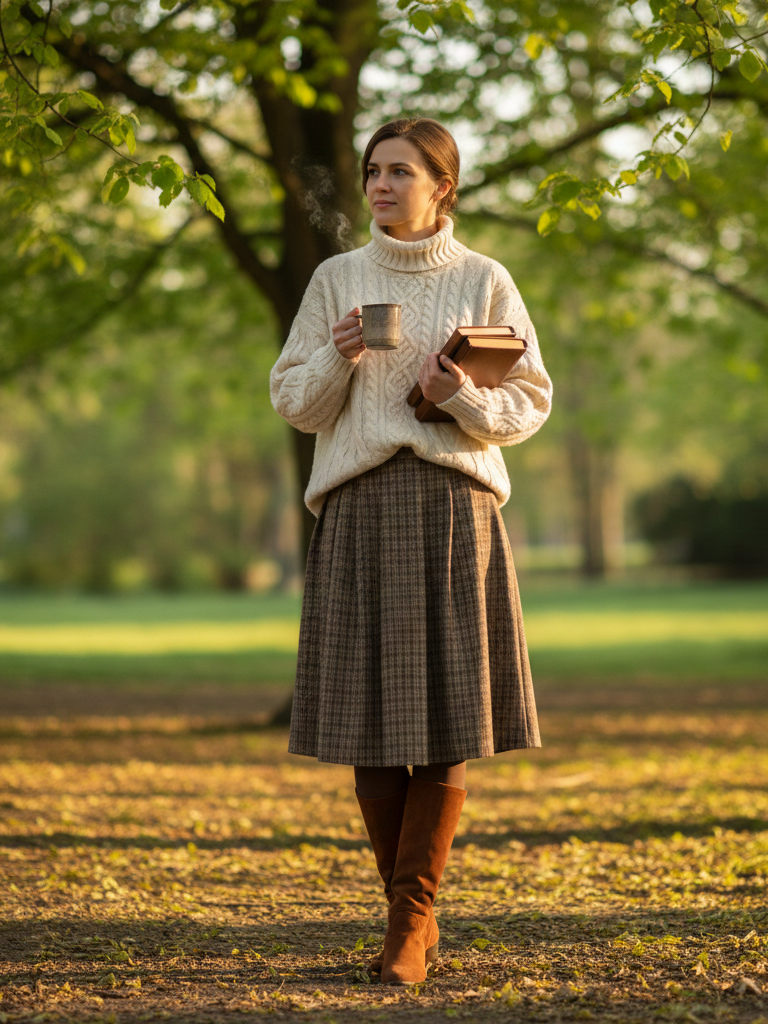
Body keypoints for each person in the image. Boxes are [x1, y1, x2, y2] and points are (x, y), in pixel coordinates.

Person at [269, 117, 552, 985]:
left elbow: (532, 402)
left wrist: (459, 394)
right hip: (357, 507)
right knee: (366, 720)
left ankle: (411, 918)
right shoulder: (335, 279)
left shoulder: (485, 279)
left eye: (402, 171)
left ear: (443, 187)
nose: (382, 185)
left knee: (445, 718)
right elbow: (293, 402)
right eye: (372, 171)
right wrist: (340, 357)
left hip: (453, 510)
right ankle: (409, 912)